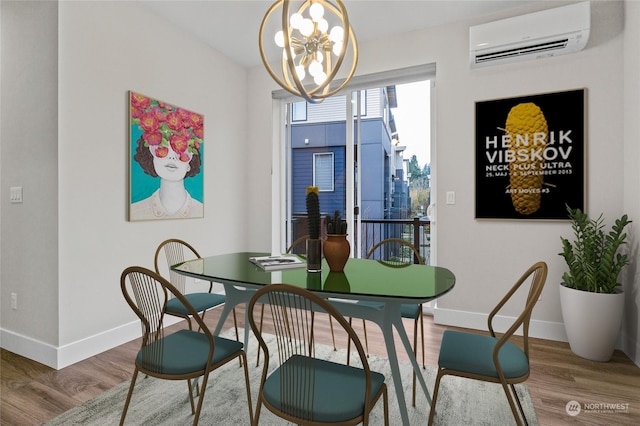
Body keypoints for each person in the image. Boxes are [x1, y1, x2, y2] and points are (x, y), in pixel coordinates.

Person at [129, 92, 204, 220]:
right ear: (151, 156)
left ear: (189, 163)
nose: (171, 157)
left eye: (180, 149)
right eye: (162, 149)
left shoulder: (200, 210)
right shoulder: (136, 211)